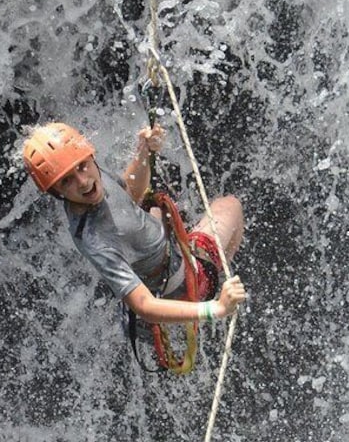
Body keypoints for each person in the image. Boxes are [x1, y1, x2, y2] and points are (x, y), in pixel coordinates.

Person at [21, 121, 246, 326]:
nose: (83, 182)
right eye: (66, 181)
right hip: (183, 284)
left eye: (82, 167)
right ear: (56, 192)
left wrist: (144, 152)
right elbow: (144, 306)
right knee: (231, 206)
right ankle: (212, 276)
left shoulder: (92, 178)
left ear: (90, 156)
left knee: (154, 205)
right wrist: (216, 309)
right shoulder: (96, 240)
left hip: (156, 255)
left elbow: (129, 194)